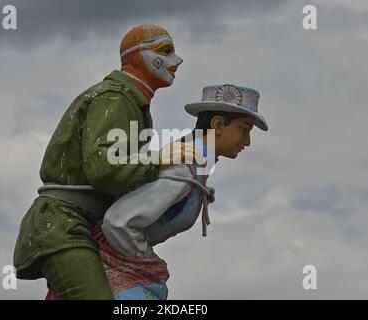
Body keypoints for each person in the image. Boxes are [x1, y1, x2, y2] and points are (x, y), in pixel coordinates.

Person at [13, 23, 198, 300]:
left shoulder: (131, 102)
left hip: (80, 226)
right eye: (165, 51)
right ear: (135, 57)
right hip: (63, 225)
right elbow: (104, 170)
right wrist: (159, 160)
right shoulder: (116, 97)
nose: (177, 60)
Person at [81, 83, 268, 299]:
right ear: (217, 124)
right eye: (243, 130)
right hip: (110, 266)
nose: (247, 141)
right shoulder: (183, 166)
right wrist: (144, 261)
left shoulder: (196, 165)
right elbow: (118, 222)